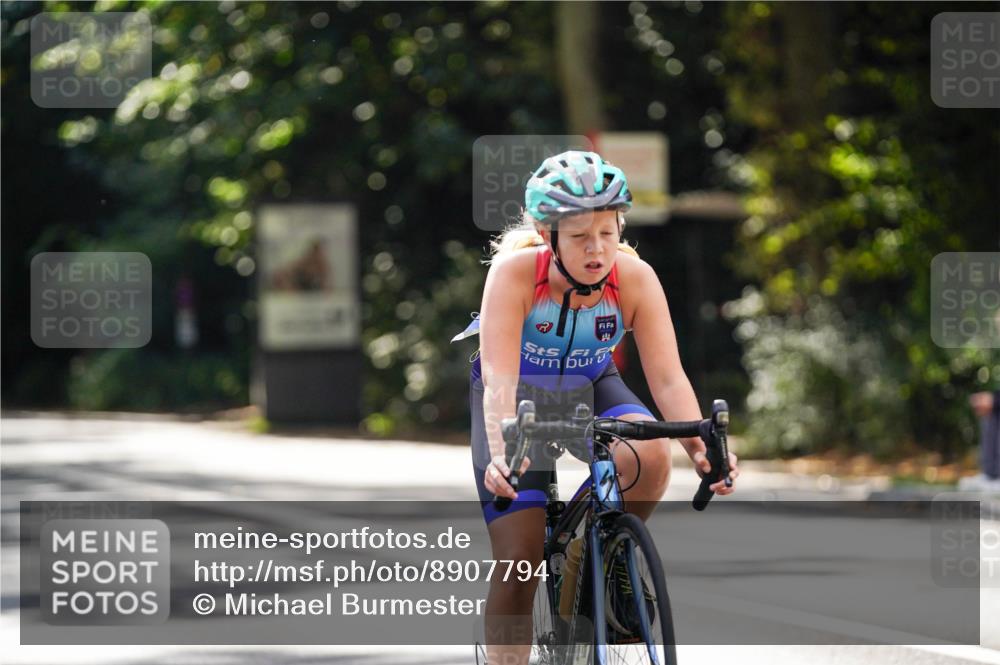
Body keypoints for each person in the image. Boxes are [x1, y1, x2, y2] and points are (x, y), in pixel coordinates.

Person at [455, 150, 740, 665]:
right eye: (581, 236)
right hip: (517, 398)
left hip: (591, 385)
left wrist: (702, 449)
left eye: (608, 233)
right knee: (519, 563)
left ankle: (602, 560)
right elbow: (499, 378)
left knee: (651, 454)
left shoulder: (634, 278)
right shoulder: (516, 273)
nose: (597, 249)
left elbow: (668, 377)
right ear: (549, 237)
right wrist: (501, 450)